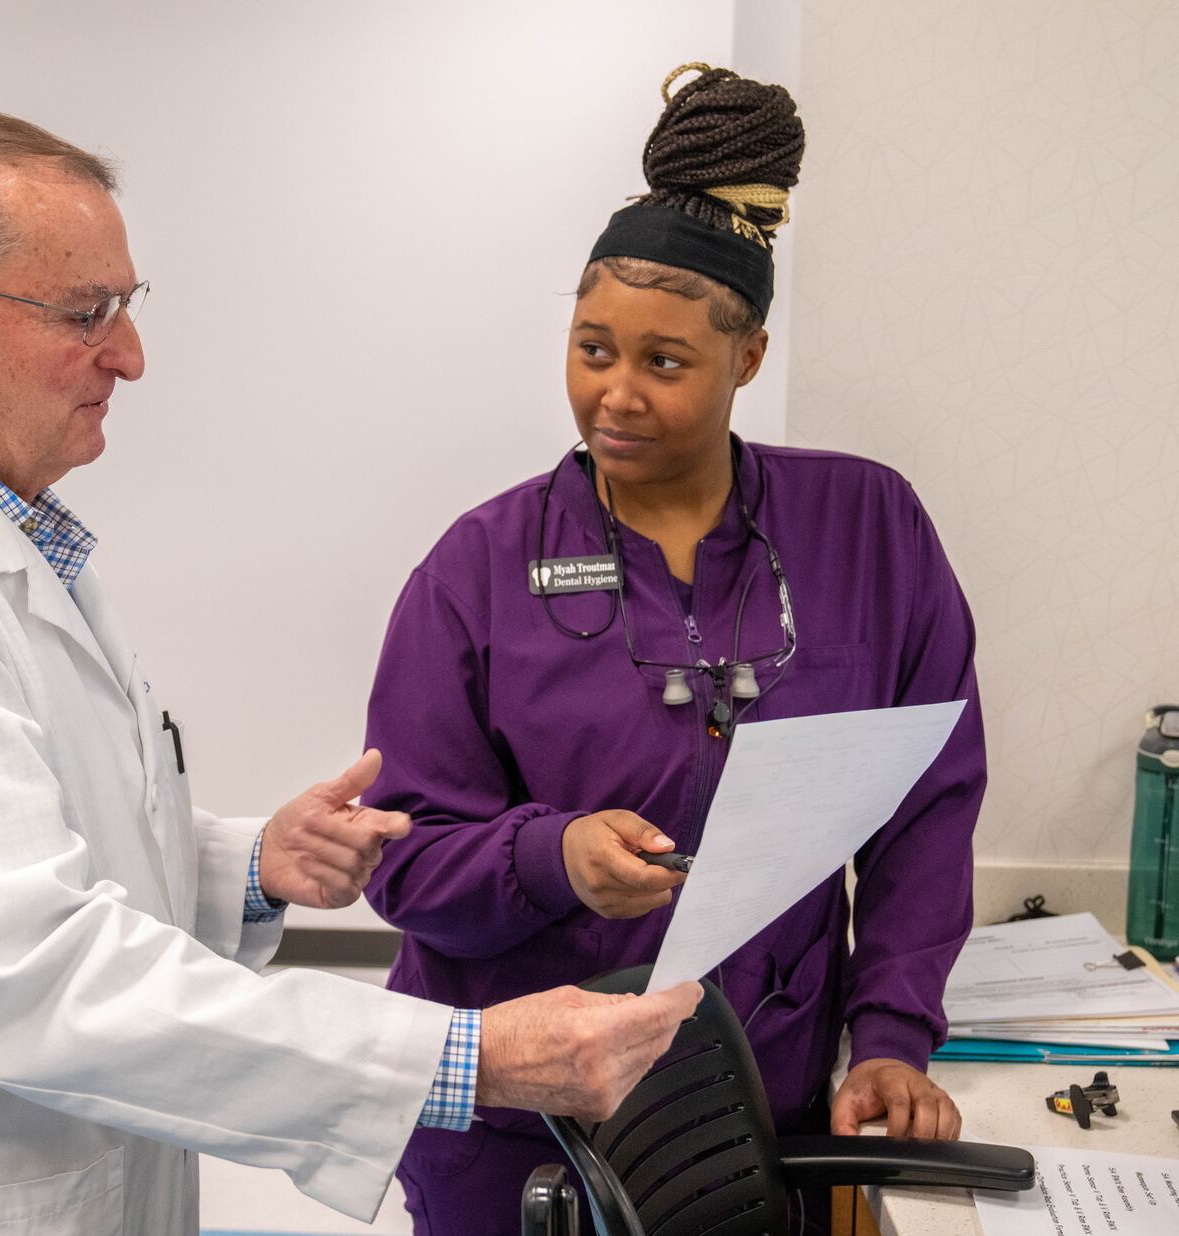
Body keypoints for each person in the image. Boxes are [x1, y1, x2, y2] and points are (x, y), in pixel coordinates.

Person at [0, 109, 704, 1236]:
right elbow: (34, 975)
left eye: (127, 306)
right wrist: (468, 1055)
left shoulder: (8, 541)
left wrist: (246, 865)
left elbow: (40, 842)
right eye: (85, 314)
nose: (128, 354)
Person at [362, 64, 984, 1233]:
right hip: (525, 1134)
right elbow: (400, 863)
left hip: (766, 1114)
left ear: (745, 360)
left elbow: (926, 806)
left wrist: (892, 1037)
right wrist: (553, 858)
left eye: (663, 363)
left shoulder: (869, 531)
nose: (614, 396)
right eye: (591, 348)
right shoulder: (476, 569)